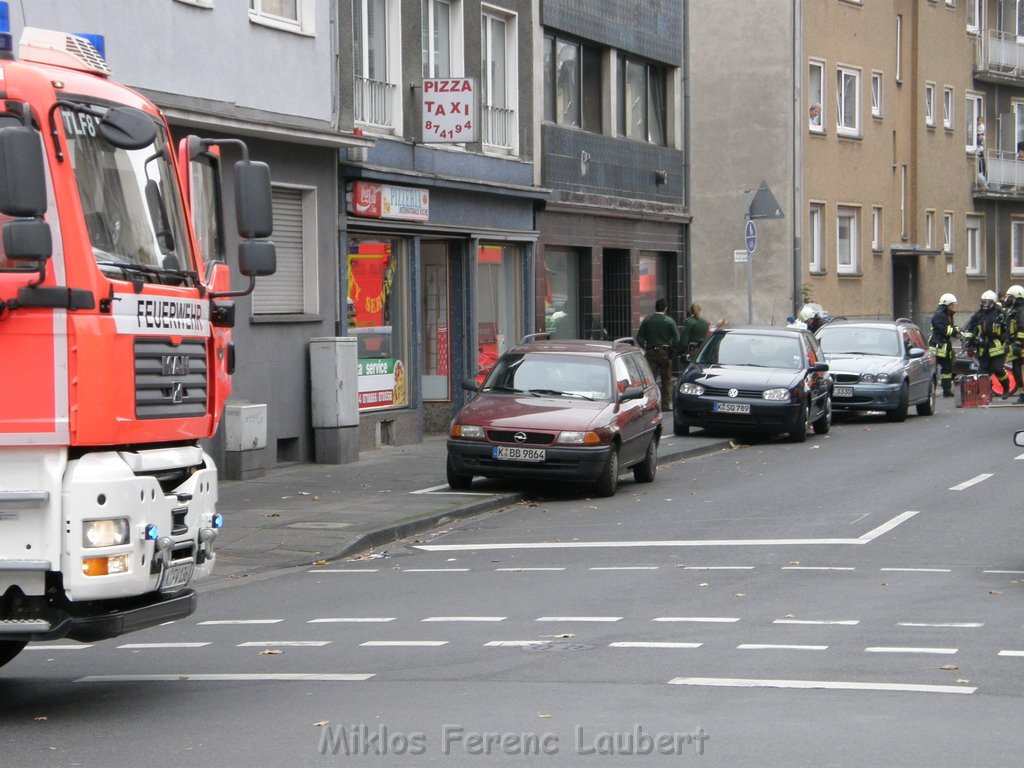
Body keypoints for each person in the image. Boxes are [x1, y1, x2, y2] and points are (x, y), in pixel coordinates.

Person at [963, 289, 1011, 399]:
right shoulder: (978, 315)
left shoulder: (1000, 313)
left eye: (987, 302)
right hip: (983, 347)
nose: (984, 305)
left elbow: (1007, 329)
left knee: (997, 368)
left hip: (997, 346)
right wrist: (970, 344)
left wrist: (1006, 340)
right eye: (983, 302)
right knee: (982, 373)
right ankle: (986, 393)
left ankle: (1006, 388)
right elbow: (971, 330)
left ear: (993, 302)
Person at [636, 298, 679, 411]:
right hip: (665, 353)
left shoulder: (647, 320)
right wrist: (672, 349)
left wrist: (644, 347)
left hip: (651, 353)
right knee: (666, 380)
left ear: (655, 307)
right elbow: (676, 338)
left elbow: (639, 336)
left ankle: (650, 403)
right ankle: (666, 405)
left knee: (650, 380)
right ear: (665, 308)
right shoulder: (669, 321)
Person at [929, 293, 960, 398]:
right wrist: (955, 331)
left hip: (944, 345)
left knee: (947, 368)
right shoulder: (939, 315)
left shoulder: (947, 314)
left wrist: (957, 330)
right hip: (937, 345)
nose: (953, 306)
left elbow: (949, 327)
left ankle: (946, 390)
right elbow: (944, 329)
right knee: (933, 369)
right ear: (947, 304)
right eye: (952, 304)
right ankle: (931, 391)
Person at [1004, 285, 1024, 401]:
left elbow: (1022, 328)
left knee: (1020, 370)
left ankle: (1023, 395)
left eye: (1010, 297)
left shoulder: (1021, 310)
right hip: (1015, 346)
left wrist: (1018, 342)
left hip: (1021, 346)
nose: (1008, 300)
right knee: (1016, 371)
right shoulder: (1014, 311)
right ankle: (1022, 394)